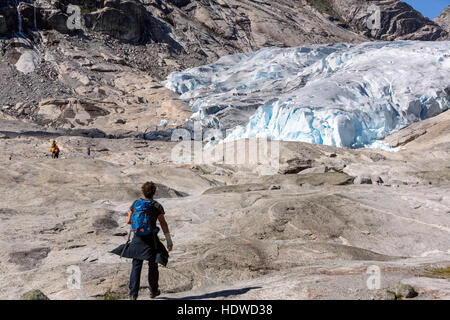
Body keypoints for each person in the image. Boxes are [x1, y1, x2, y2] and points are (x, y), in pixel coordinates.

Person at [111, 182, 173, 300]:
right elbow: (163, 223)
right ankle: (153, 291)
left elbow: (128, 220)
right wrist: (169, 240)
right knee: (153, 264)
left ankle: (133, 294)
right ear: (154, 192)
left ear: (143, 191)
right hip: (151, 239)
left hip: (137, 238)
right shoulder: (156, 206)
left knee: (136, 265)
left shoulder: (135, 204)